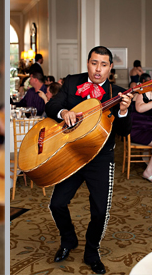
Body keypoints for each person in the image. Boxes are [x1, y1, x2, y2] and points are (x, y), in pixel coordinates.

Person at [45, 46, 133, 274]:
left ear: (110, 67)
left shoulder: (118, 93)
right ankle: (68, 239)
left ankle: (92, 251)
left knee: (100, 211)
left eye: (104, 65)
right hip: (72, 154)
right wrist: (64, 112)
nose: (98, 69)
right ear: (87, 63)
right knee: (56, 204)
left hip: (101, 158)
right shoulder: (73, 82)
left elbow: (124, 131)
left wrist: (123, 111)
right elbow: (51, 105)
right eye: (94, 63)